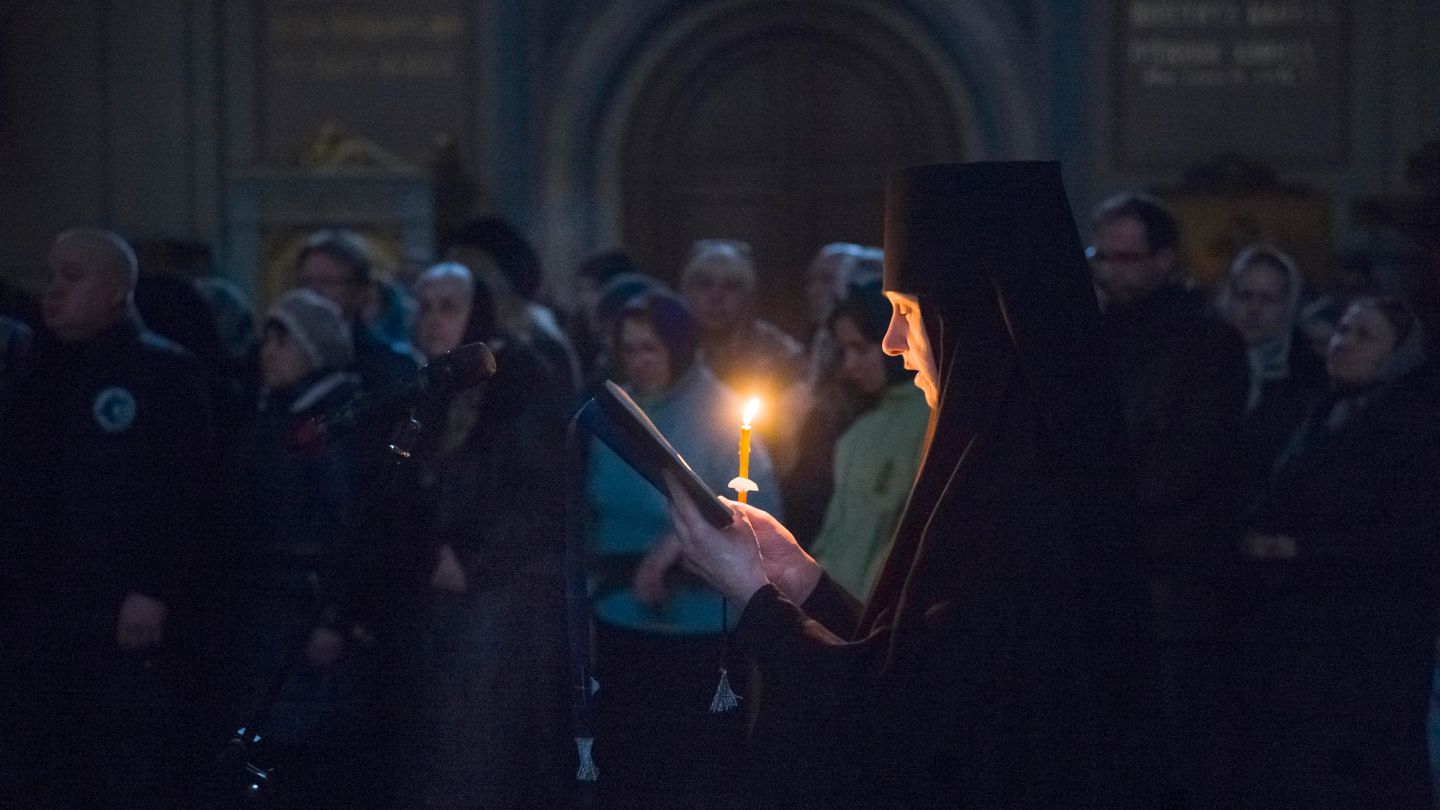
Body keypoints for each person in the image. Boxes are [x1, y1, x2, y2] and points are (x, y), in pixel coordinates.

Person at [664, 162, 1156, 808]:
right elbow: (911, 665)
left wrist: (754, 600)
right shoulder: (996, 464)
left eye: (905, 311)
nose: (894, 344)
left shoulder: (1028, 499)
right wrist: (805, 586)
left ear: (968, 318)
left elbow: (909, 728)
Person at [0, 227, 216, 806]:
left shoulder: (164, 372)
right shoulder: (35, 373)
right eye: (49, 277)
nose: (53, 291)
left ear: (117, 291)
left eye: (73, 277)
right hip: (42, 608)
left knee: (122, 763)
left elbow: (185, 494)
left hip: (118, 610)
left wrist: (153, 585)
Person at [348, 262, 572, 808]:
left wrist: (472, 558)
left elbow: (540, 491)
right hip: (430, 585)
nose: (433, 320)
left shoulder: (522, 378)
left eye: (449, 307)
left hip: (500, 591)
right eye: (424, 307)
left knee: (482, 743)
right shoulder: (424, 384)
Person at [1218, 296, 1437, 807]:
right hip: (1309, 625)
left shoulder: (1413, 425)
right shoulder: (1318, 409)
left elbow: (1405, 531)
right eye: (1342, 331)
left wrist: (1302, 547)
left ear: (1399, 353)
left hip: (1372, 634)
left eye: (1365, 336)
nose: (1344, 344)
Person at [585, 289, 780, 809]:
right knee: (628, 768)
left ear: (678, 346)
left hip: (696, 628)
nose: (639, 362)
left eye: (650, 348)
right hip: (620, 617)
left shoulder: (719, 411)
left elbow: (757, 507)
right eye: (628, 350)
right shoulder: (616, 415)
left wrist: (677, 541)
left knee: (692, 771)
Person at [1088, 192, 1249, 800]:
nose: (1111, 271)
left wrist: (1102, 510)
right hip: (1113, 578)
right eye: (1103, 258)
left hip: (1174, 582)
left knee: (1177, 755)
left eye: (1127, 258)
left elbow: (1192, 460)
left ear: (1164, 260)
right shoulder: (1093, 335)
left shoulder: (1205, 343)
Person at [228, 288, 374, 808]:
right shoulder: (277, 413)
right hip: (273, 608)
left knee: (305, 757)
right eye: (267, 338)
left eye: (284, 340)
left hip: (305, 609)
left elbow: (348, 521)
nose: (268, 351)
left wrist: (333, 616)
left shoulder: (330, 423)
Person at [806, 282, 929, 598]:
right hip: (840, 609)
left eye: (860, 348)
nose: (849, 366)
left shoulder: (930, 418)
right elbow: (834, 535)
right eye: (844, 351)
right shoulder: (857, 434)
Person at [1215, 244, 1327, 477]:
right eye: (1245, 296)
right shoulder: (1201, 363)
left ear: (1288, 304)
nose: (1254, 309)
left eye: (1268, 299)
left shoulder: (1311, 372)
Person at [296, 228, 419, 395]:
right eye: (306, 282)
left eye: (327, 282)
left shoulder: (391, 364)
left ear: (359, 290)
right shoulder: (271, 357)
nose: (313, 292)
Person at [679, 238, 803, 399]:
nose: (716, 297)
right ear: (688, 291)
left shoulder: (779, 355)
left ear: (748, 296)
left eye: (730, 286)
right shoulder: (666, 346)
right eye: (705, 284)